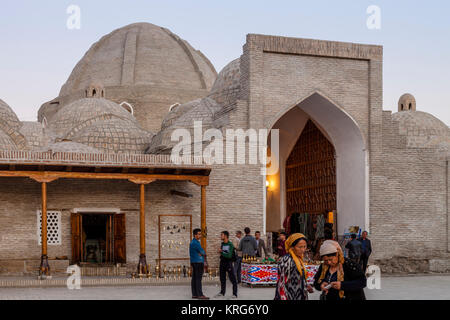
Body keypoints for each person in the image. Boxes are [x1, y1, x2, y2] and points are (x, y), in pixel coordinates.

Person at [274, 233, 314, 300]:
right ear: (292, 247)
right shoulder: (287, 260)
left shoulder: (298, 259)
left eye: (305, 247)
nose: (303, 250)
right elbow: (281, 284)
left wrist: (305, 285)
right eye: (300, 247)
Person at [215, 231, 238, 298]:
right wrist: (221, 252)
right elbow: (224, 253)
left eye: (222, 235)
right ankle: (222, 292)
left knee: (232, 279)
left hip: (228, 263)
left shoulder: (230, 244)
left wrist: (221, 252)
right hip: (222, 262)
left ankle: (235, 294)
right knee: (222, 278)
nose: (220, 236)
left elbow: (229, 255)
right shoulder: (222, 244)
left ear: (225, 236)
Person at [189, 228, 209, 299]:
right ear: (195, 235)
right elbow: (203, 252)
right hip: (198, 262)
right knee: (198, 279)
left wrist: (201, 253)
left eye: (200, 234)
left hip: (194, 262)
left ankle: (194, 294)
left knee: (194, 278)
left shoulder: (192, 242)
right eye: (199, 234)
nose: (200, 235)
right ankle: (200, 294)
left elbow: (201, 252)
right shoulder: (196, 243)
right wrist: (202, 253)